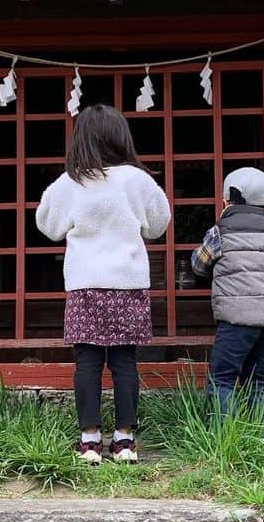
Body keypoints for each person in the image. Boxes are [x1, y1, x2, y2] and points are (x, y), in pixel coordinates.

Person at [36, 104, 171, 464]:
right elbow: (159, 224)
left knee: (88, 363)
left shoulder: (72, 181)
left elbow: (46, 224)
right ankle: (125, 440)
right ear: (120, 137)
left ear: (80, 139)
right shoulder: (138, 180)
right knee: (125, 362)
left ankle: (89, 440)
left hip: (85, 285)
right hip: (128, 284)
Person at [191, 166, 264, 439]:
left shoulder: (221, 231)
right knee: (258, 381)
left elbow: (199, 265)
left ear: (227, 201)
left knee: (222, 380)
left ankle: (227, 441)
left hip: (238, 318)